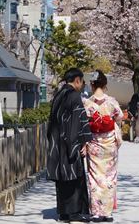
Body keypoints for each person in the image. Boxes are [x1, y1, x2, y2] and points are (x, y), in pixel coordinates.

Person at [47, 68, 93, 223]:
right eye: (82, 82)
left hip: (57, 142)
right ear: (77, 80)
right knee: (74, 176)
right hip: (70, 143)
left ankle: (63, 212)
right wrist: (82, 142)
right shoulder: (74, 96)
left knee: (62, 177)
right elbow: (78, 121)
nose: (82, 85)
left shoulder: (58, 95)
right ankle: (74, 212)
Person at [83, 71, 122, 223]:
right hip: (110, 143)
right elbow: (118, 116)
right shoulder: (112, 101)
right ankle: (108, 212)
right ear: (105, 85)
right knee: (110, 176)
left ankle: (96, 213)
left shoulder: (87, 103)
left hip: (94, 143)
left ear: (92, 85)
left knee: (94, 176)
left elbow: (84, 122)